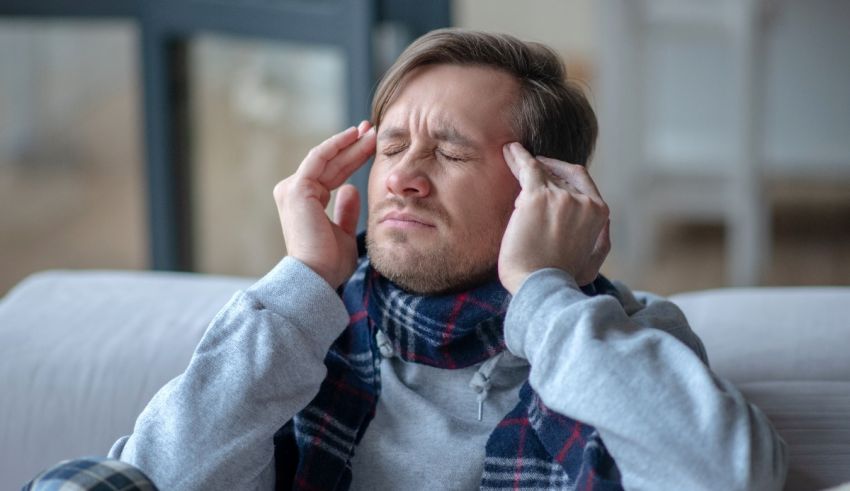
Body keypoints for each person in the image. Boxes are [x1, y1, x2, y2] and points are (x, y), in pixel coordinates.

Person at [27, 28, 787, 490]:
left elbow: (731, 477)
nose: (403, 178)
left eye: (449, 153)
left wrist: (546, 296)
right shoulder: (303, 331)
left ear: (546, 191)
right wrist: (303, 283)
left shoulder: (623, 339)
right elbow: (155, 476)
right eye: (391, 148)